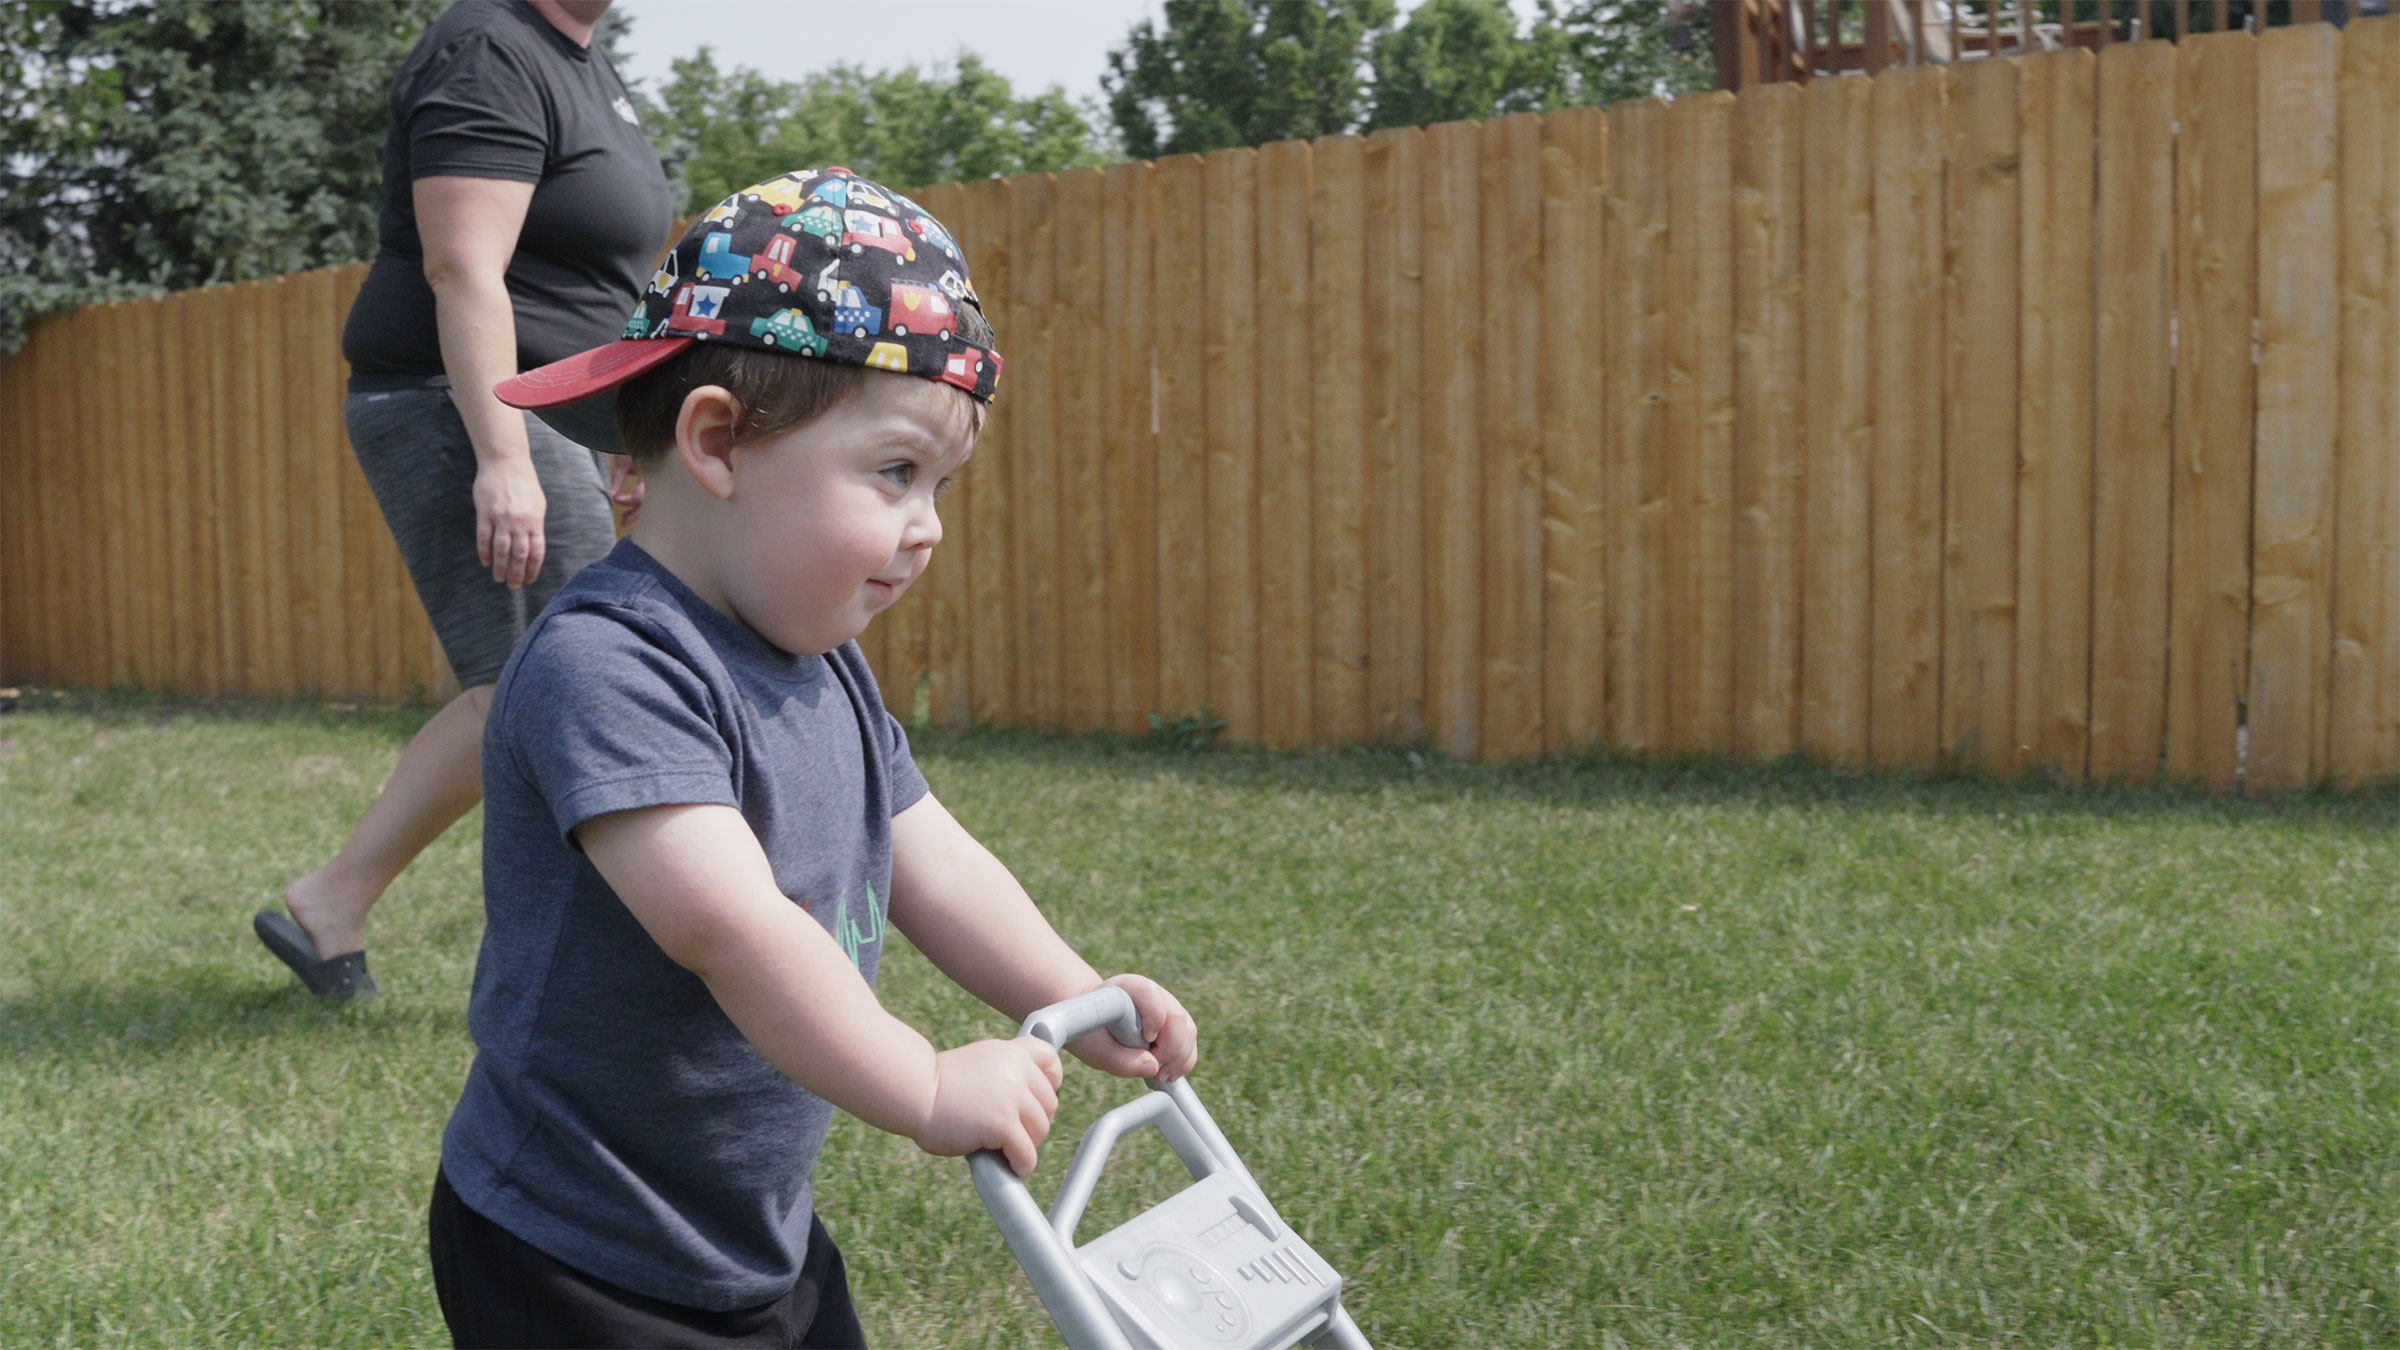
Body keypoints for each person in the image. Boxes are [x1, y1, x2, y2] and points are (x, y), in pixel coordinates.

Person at [422, 167, 1198, 1348]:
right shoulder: (611, 665)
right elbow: (729, 927)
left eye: (940, 484)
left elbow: (925, 848)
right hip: (577, 1242)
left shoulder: (818, 654)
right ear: (719, 441)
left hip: (745, 1225)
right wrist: (925, 1086)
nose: (928, 523)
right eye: (895, 472)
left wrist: (1066, 992)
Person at [253, 0, 671, 1001]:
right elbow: (462, 265)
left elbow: (594, 285)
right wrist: (502, 454)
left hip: (544, 409)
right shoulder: (490, 46)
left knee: (538, 678)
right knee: (568, 675)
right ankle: (617, 945)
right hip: (463, 403)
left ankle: (331, 903)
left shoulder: (585, 66)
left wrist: (623, 427)